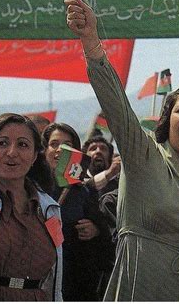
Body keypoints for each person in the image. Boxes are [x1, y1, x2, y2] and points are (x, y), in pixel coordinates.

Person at [65, 0, 179, 301]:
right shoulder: (145, 155)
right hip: (142, 290)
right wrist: (91, 42)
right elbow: (116, 107)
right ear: (168, 119)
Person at [0, 113, 62, 301]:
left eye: (22, 144)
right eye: (2, 143)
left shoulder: (49, 209)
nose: (12, 152)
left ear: (35, 156)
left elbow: (55, 279)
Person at [42, 122, 110, 301]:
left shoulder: (83, 191)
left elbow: (105, 233)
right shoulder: (30, 186)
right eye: (54, 144)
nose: (59, 150)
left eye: (67, 145)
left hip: (73, 279)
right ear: (44, 150)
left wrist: (95, 229)